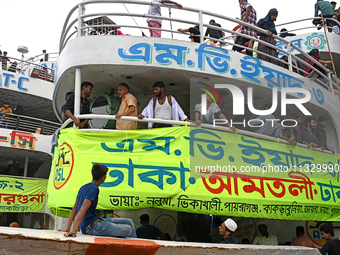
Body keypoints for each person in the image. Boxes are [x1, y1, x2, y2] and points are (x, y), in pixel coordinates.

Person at [58, 164, 137, 238]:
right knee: (128, 229)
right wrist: (74, 231)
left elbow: (74, 209)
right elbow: (83, 209)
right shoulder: (94, 189)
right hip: (92, 227)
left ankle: (136, 247)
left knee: (128, 221)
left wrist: (67, 228)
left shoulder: (83, 187)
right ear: (103, 178)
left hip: (96, 221)